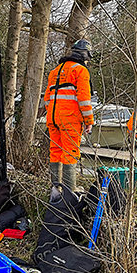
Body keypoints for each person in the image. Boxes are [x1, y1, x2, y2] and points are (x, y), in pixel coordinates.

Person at [43, 39, 94, 191]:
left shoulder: (55, 71)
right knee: (70, 153)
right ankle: (69, 192)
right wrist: (88, 120)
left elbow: (47, 99)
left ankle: (55, 189)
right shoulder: (80, 70)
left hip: (53, 118)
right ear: (85, 56)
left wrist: (54, 112)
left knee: (55, 152)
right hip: (70, 118)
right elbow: (84, 98)